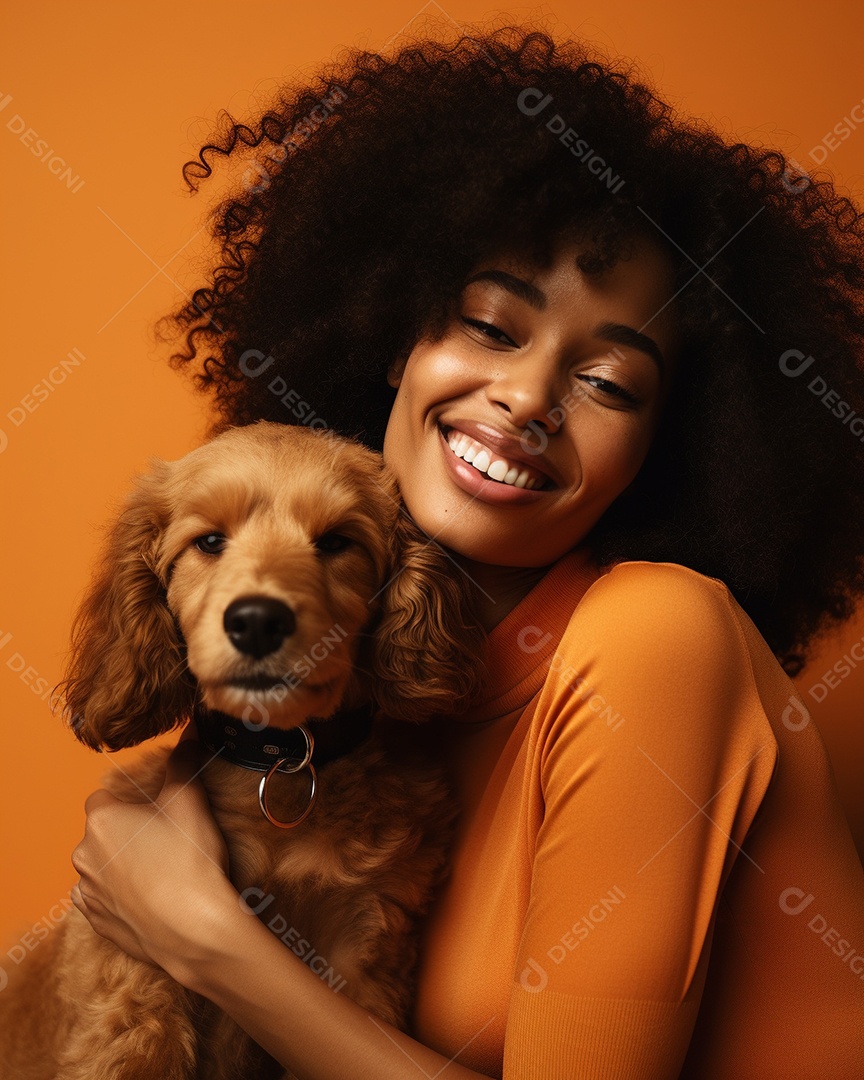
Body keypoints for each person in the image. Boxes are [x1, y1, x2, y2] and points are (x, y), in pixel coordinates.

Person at [68, 22, 864, 1079]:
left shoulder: (657, 638)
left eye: (611, 384)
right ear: (393, 335)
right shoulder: (371, 712)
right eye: (492, 325)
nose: (528, 399)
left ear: (666, 450)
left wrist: (201, 935)